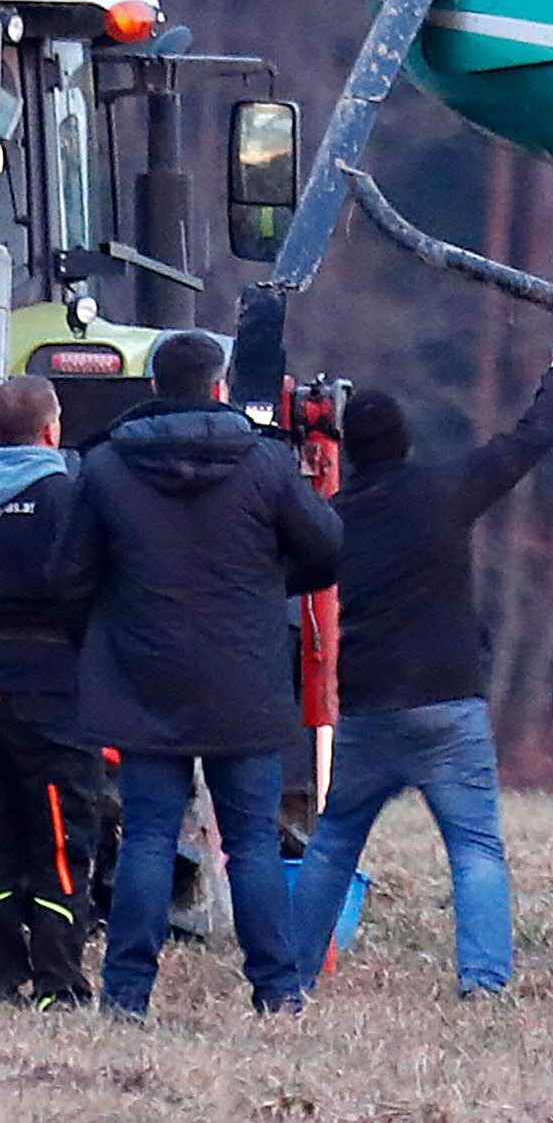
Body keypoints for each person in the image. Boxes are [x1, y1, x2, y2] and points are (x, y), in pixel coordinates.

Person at [286, 315, 553, 999]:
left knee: (333, 846)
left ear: (350, 451)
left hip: (369, 709)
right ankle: (483, 984)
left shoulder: (335, 520)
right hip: (448, 701)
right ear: (405, 441)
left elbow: (287, 571)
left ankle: (292, 980)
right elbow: (531, 438)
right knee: (475, 850)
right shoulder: (445, 492)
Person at [46, 330, 341, 1018]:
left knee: (148, 838)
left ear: (154, 385)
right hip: (244, 677)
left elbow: (68, 577)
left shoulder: (107, 468)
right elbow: (327, 548)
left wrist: (103, 635)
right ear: (219, 387)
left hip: (142, 676)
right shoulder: (266, 464)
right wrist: (268, 588)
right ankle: (278, 992)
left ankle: (127, 997)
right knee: (253, 842)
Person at [0, 377, 101, 1007]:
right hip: (53, 694)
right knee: (63, 841)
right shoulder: (70, 501)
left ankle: (3, 976)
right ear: (50, 431)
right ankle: (59, 984)